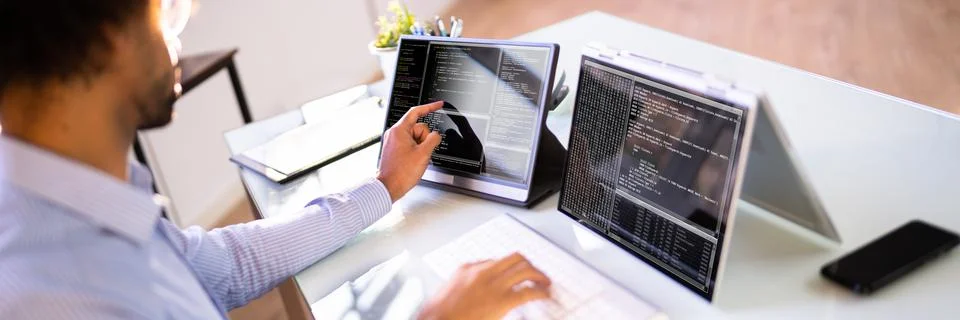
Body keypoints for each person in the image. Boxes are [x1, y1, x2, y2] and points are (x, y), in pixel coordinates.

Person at [0, 1, 552, 319]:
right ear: (109, 32)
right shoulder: (54, 297)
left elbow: (222, 265)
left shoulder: (58, 206)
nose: (179, 29)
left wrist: (382, 186)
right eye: (165, 11)